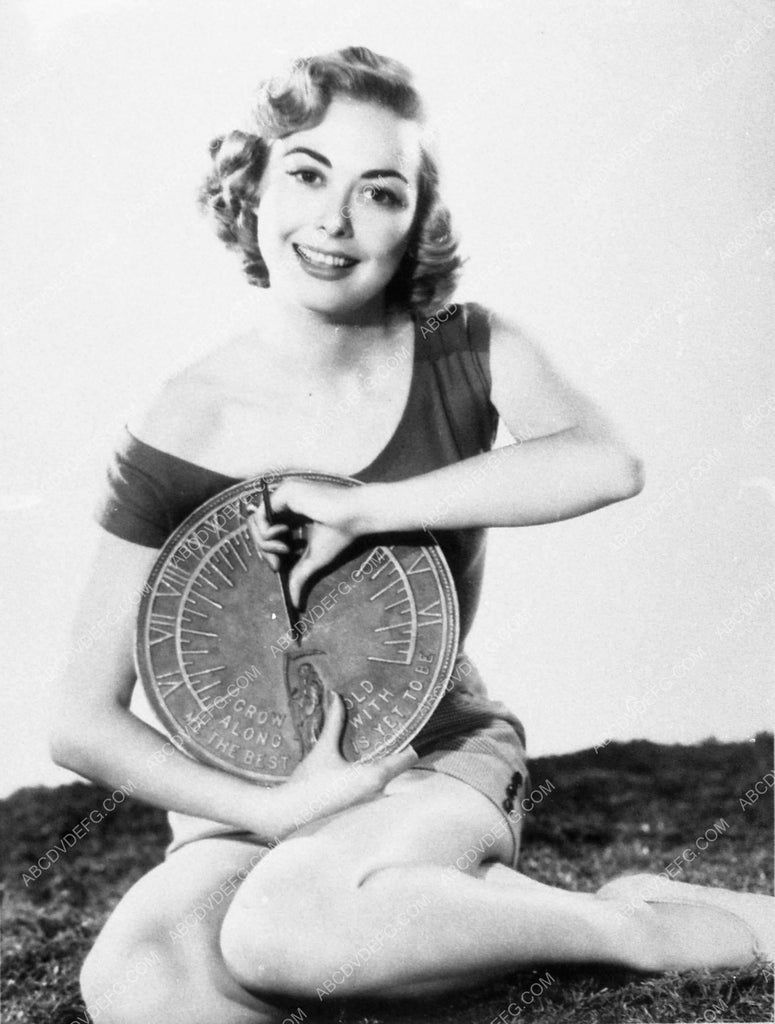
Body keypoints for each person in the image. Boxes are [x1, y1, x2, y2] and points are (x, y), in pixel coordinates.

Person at [49, 45, 772, 1024]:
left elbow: (607, 462)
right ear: (251, 183)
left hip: (424, 765)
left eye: (380, 192)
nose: (335, 220)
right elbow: (79, 719)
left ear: (416, 219)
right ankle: (413, 926)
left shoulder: (462, 348)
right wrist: (271, 809)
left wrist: (362, 507)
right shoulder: (183, 419)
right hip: (247, 796)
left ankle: (629, 924)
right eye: (308, 174)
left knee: (279, 928)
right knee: (139, 983)